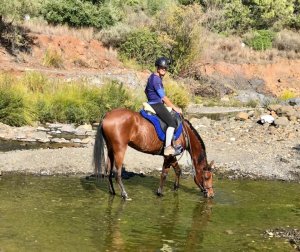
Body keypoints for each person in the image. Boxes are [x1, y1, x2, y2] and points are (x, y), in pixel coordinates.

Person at [145, 57, 183, 156]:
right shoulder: (156, 80)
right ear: (157, 67)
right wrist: (175, 108)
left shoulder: (152, 77)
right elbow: (163, 97)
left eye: (165, 68)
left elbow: (146, 91)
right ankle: (167, 148)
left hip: (152, 102)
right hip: (156, 104)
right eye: (162, 68)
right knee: (172, 123)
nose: (164, 70)